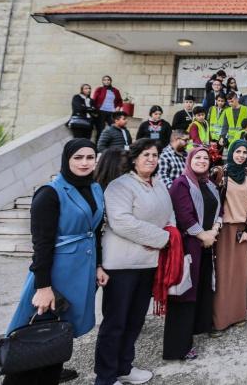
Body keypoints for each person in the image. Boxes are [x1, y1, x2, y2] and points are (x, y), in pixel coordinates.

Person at [5, 139, 106, 385]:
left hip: (81, 272)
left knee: (60, 331)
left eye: (90, 157)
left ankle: (51, 373)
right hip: (56, 274)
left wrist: (99, 265)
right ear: (66, 159)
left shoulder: (94, 187)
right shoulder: (50, 193)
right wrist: (43, 287)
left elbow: (96, 231)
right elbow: (41, 244)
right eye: (78, 157)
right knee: (33, 333)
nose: (84, 163)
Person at [95, 139, 175, 385]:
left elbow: (170, 214)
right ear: (134, 158)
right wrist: (161, 238)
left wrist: (168, 233)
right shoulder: (120, 186)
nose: (151, 159)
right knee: (116, 322)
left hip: (148, 262)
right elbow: (121, 221)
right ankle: (106, 377)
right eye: (145, 155)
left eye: (155, 155)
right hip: (122, 264)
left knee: (135, 319)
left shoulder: (158, 184)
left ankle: (124, 366)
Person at [163, 147, 221, 361]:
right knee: (184, 293)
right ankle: (177, 347)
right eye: (198, 157)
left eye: (205, 158)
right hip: (189, 246)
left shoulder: (209, 184)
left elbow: (220, 210)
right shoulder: (181, 183)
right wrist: (202, 235)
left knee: (202, 288)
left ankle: (196, 329)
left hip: (207, 244)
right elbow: (184, 215)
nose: (202, 160)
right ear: (189, 160)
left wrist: (214, 231)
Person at [211, 140, 247, 332]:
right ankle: (220, 319)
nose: (241, 155)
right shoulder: (219, 172)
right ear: (231, 152)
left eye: (244, 152)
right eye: (237, 151)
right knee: (223, 274)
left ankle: (238, 314)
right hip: (223, 229)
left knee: (240, 274)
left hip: (242, 230)